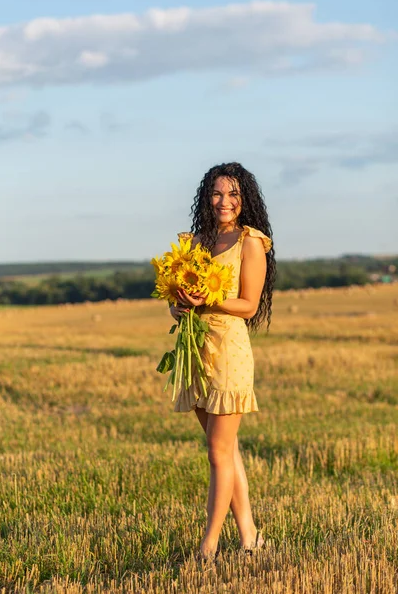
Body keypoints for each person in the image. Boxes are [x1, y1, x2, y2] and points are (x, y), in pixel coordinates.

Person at [170, 161, 276, 561]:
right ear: (206, 197)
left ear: (244, 198)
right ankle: (249, 534)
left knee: (218, 452)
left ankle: (208, 546)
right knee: (225, 451)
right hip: (196, 351)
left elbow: (248, 306)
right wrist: (178, 308)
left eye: (232, 194)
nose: (224, 201)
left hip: (229, 350)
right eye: (216, 193)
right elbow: (177, 297)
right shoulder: (196, 241)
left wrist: (208, 300)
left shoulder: (250, 242)